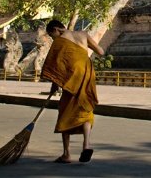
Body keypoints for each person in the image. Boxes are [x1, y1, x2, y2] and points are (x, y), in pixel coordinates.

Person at [42, 19, 104, 164]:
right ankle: (86, 145)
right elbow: (101, 51)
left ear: (56, 29)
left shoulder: (60, 41)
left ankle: (66, 154)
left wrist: (54, 86)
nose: (53, 38)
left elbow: (56, 66)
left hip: (72, 77)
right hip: (87, 74)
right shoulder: (83, 34)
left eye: (51, 35)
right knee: (85, 109)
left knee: (65, 111)